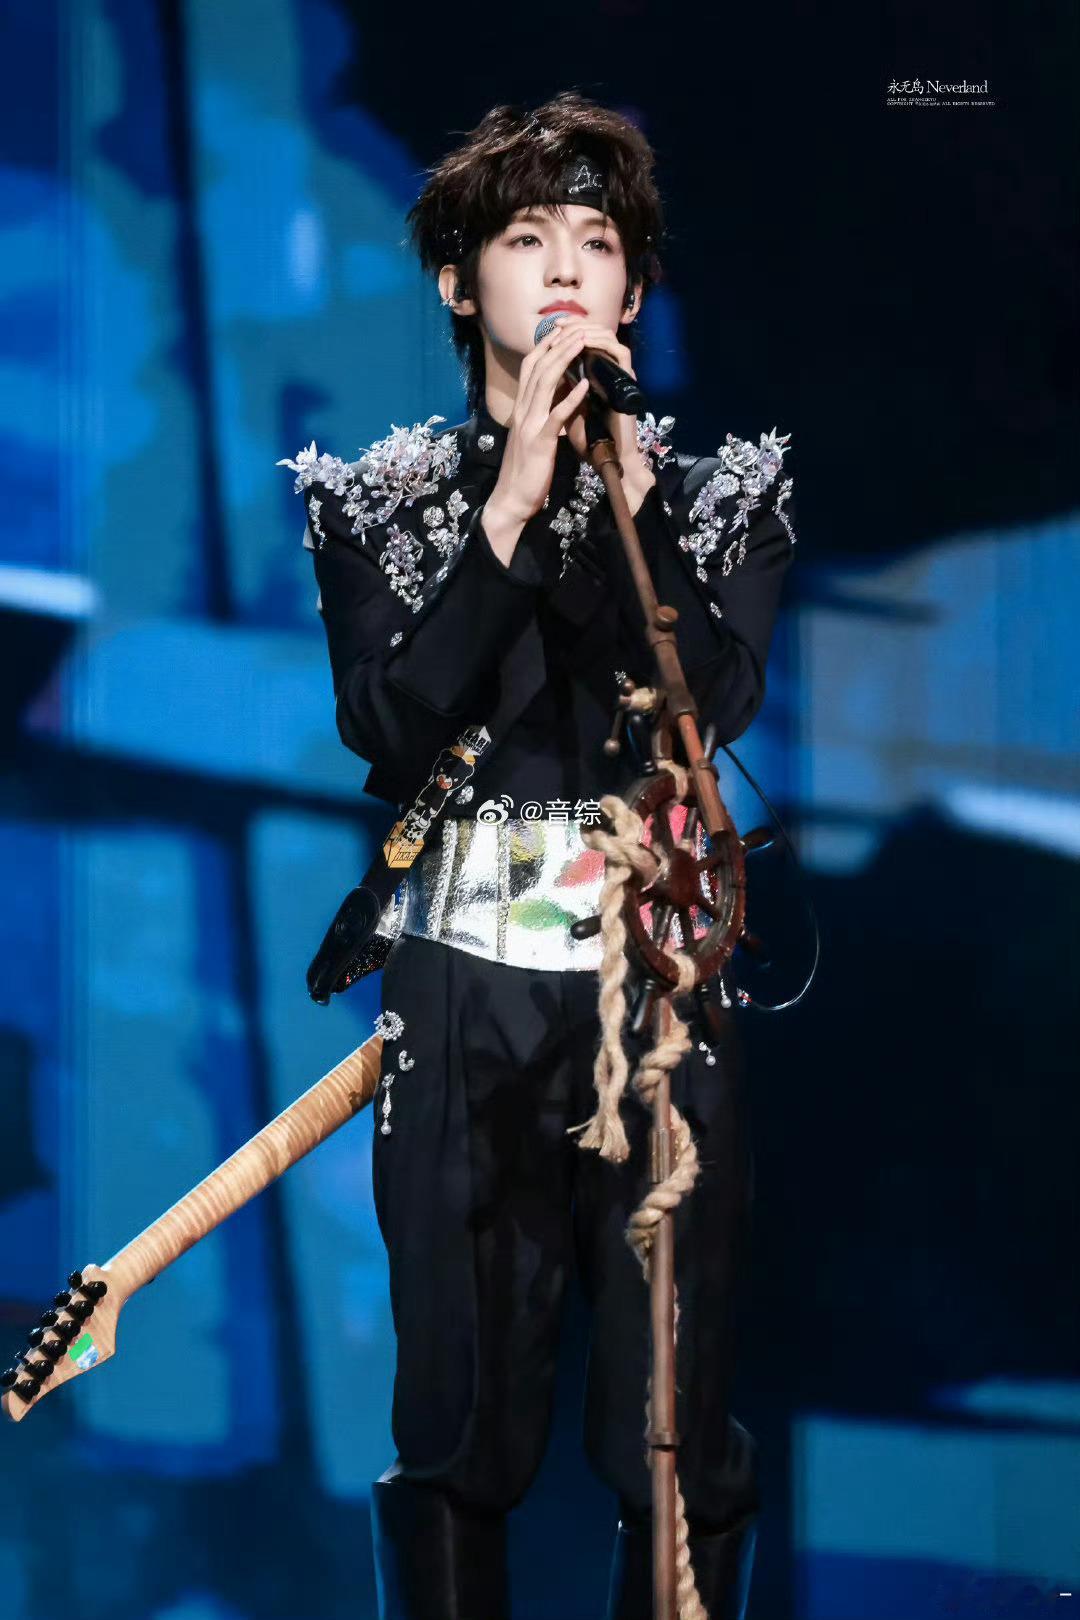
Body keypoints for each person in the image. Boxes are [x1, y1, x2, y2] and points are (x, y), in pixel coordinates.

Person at [278, 91, 796, 1620]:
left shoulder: (720, 503)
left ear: (633, 289)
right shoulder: (378, 503)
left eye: (598, 241)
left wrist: (629, 501)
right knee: (458, 1434)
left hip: (660, 1000)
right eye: (525, 238)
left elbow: (716, 703)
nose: (566, 267)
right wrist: (512, 501)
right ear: (460, 281)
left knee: (671, 1440)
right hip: (464, 998)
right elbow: (392, 720)